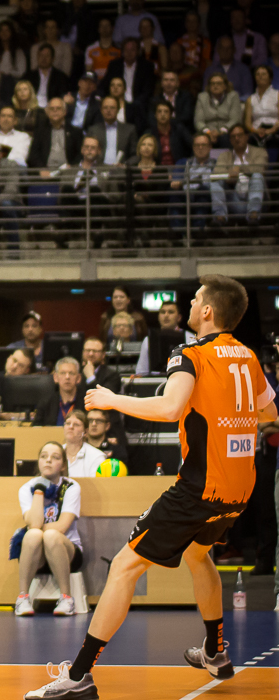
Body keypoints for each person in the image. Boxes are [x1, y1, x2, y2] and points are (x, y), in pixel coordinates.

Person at [27, 276, 276, 700]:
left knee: (124, 565)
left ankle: (79, 674)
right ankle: (215, 652)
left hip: (199, 488)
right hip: (239, 488)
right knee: (199, 556)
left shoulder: (191, 354)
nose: (191, 306)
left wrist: (111, 399)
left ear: (209, 312)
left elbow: (170, 407)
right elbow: (269, 411)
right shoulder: (248, 357)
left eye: (196, 300)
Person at [14, 441, 84, 619]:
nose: (48, 461)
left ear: (63, 466)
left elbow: (62, 526)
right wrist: (39, 490)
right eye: (44, 457)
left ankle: (66, 599)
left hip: (67, 551)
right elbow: (35, 525)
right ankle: (22, 598)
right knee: (33, 534)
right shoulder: (26, 489)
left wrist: (35, 528)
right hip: (37, 553)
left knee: (51, 535)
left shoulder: (71, 487)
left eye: (55, 457)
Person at [211, 124, 266, 225]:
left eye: (239, 135)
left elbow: (260, 168)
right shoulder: (224, 156)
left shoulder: (259, 152)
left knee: (257, 176)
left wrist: (239, 169)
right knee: (215, 181)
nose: (237, 139)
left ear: (246, 136)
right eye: (233, 137)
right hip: (234, 199)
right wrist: (229, 175)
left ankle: (253, 214)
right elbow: (217, 172)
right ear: (230, 140)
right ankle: (220, 217)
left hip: (257, 199)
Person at [136, 301, 197, 375]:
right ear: (158, 316)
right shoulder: (148, 340)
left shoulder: (190, 338)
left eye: (171, 312)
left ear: (179, 318)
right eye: (163, 312)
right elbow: (141, 372)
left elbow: (196, 369)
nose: (166, 315)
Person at [33, 357, 84, 426]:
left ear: (78, 378)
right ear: (55, 377)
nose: (67, 377)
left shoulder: (86, 403)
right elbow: (36, 428)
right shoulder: (46, 403)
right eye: (63, 373)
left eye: (71, 373)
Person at [62, 410, 107, 477]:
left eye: (76, 424)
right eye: (68, 423)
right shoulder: (55, 452)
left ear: (85, 431)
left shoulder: (97, 456)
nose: (71, 427)